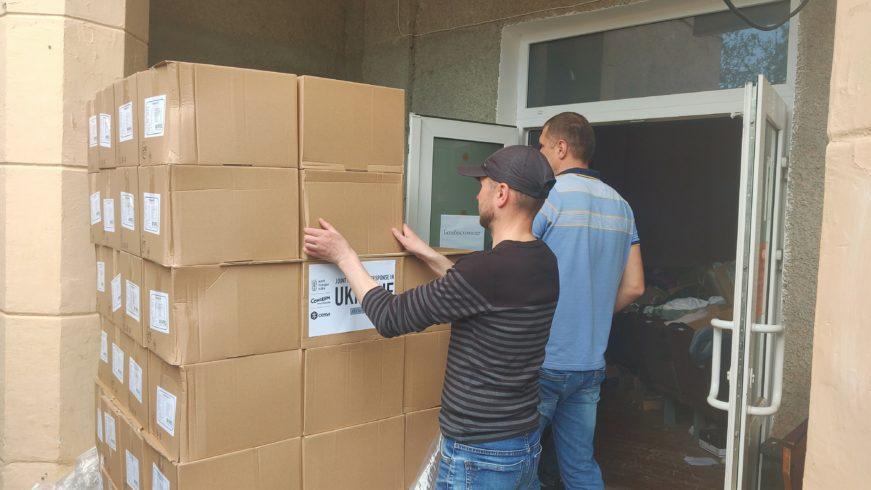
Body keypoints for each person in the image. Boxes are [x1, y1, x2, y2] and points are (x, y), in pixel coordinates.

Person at [304, 145, 560, 489]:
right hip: (521, 443)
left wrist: (344, 256)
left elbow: (391, 317)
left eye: (482, 184)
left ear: (502, 194)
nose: (476, 195)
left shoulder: (486, 270)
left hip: (481, 455)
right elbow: (484, 295)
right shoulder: (543, 259)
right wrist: (427, 253)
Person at [534, 112, 645, 489]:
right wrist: (593, 311)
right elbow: (635, 287)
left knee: (516, 464)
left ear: (561, 148)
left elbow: (517, 263)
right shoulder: (622, 206)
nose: (541, 154)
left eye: (543, 146)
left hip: (544, 359)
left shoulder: (548, 200)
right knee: (580, 467)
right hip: (589, 363)